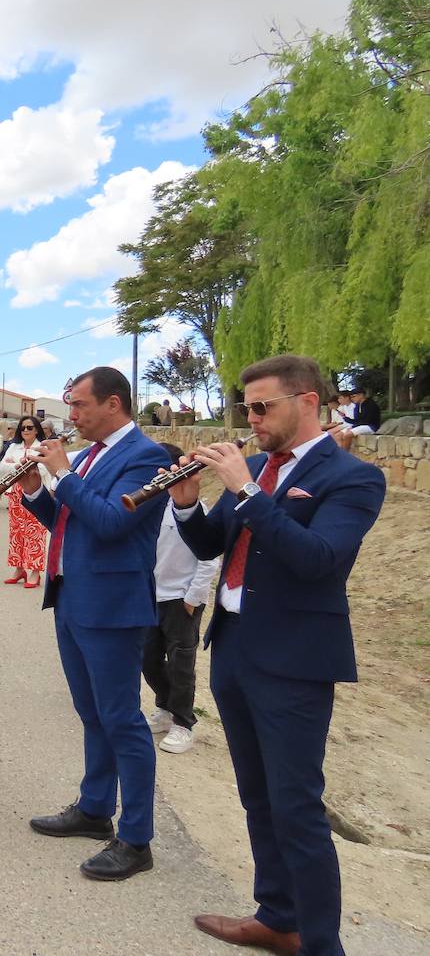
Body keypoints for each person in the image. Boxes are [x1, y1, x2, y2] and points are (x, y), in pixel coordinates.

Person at [171, 354, 386, 956]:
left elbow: (317, 558)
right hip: (234, 646)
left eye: (263, 406)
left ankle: (321, 944)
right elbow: (213, 543)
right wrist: (187, 500)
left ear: (309, 402)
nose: (253, 418)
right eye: (247, 408)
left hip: (295, 659)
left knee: (297, 806)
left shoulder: (353, 478)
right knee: (256, 794)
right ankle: (277, 916)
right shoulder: (261, 467)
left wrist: (243, 487)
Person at [19, 366, 171, 882]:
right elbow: (67, 522)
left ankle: (136, 838)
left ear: (113, 403)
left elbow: (110, 523)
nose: (73, 417)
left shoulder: (148, 457)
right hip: (72, 598)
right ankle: (93, 807)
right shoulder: (87, 456)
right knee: (91, 714)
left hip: (112, 606)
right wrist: (40, 489)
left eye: (80, 406)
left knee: (122, 719)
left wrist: (63, 475)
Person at [143, 443, 221, 756]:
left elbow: (208, 557)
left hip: (181, 599)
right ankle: (164, 706)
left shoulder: (193, 508)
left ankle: (183, 722)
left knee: (181, 663)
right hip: (148, 598)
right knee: (147, 659)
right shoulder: (146, 507)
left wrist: (193, 596)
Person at [0, 416, 53, 588]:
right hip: (16, 494)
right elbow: (3, 466)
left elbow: (44, 467)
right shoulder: (14, 446)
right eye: (22, 428)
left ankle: (34, 572)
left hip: (37, 493)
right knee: (16, 534)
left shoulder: (43, 447)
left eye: (29, 428)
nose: (25, 431)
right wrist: (22, 465)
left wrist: (16, 464)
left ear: (37, 429)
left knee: (35, 532)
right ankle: (18, 569)